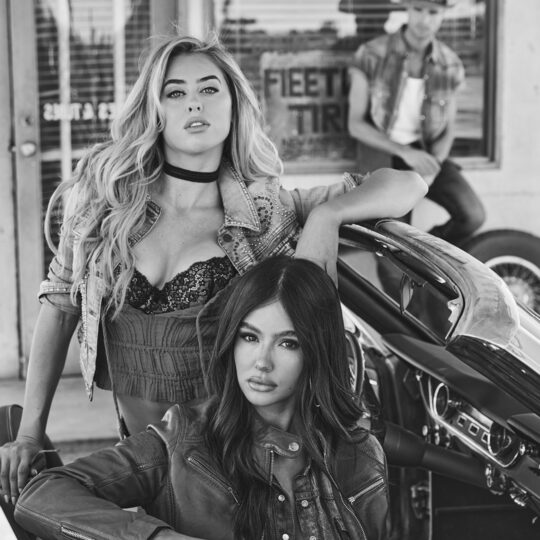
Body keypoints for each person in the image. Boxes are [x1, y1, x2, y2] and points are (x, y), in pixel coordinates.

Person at [0, 34, 425, 505]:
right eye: (175, 92)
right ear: (154, 109)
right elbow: (59, 308)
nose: (194, 103)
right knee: (46, 503)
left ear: (233, 104)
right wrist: (30, 434)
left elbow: (409, 183)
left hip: (236, 472)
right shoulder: (104, 205)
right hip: (140, 464)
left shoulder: (267, 214)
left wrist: (328, 215)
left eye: (208, 88)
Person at [15, 256, 389, 540]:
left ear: (317, 351)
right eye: (250, 337)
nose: (261, 362)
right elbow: (43, 493)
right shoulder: (184, 440)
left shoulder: (359, 453)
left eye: (288, 343)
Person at [348, 0, 485, 245]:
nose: (424, 20)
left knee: (472, 215)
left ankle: (424, 252)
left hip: (427, 154)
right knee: (391, 238)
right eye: (418, 10)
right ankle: (402, 254)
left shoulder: (450, 64)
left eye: (432, 12)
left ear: (443, 14)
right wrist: (405, 153)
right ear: (407, 9)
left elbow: (449, 127)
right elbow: (355, 124)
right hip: (383, 156)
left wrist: (434, 165)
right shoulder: (371, 54)